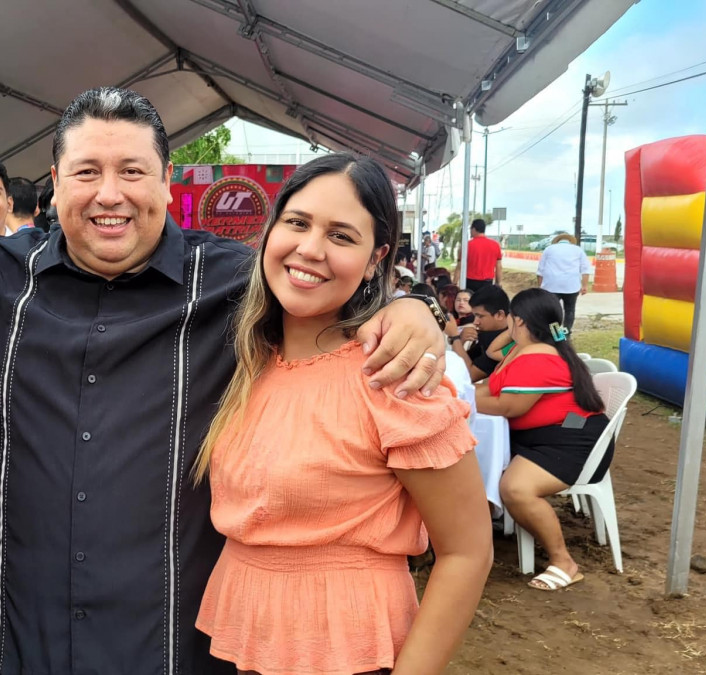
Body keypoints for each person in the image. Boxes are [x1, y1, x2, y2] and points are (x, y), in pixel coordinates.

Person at [0, 87, 449, 675]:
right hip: (22, 638)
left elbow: (328, 292)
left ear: (166, 180)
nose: (111, 194)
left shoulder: (236, 283)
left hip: (174, 642)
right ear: (55, 181)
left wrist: (411, 309)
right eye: (86, 172)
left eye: (133, 171)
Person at [191, 154, 490, 675]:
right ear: (271, 230)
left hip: (349, 653)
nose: (311, 249)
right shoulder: (245, 361)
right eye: (298, 222)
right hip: (241, 646)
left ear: (376, 259)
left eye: (341, 236)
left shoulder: (392, 377)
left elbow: (467, 553)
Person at [476, 288, 611, 592]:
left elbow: (508, 406)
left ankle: (564, 562)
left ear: (519, 320)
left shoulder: (538, 358)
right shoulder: (524, 350)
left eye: (512, 317)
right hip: (550, 433)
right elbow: (492, 375)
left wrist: (459, 400)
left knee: (515, 489)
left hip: (570, 439)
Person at [452, 284, 510, 382]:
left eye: (480, 316)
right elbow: (462, 362)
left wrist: (455, 338)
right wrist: (460, 340)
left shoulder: (505, 341)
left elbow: (469, 375)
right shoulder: (488, 333)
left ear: (499, 315)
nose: (475, 322)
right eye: (474, 316)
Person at [537, 233, 593, 331]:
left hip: (551, 286)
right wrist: (584, 286)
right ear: (570, 241)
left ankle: (555, 333)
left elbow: (540, 271)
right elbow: (585, 270)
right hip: (571, 286)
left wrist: (541, 286)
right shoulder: (578, 250)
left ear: (557, 241)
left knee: (553, 310)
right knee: (569, 310)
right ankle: (566, 333)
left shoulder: (549, 249)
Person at [459, 218, 501, 291]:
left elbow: (460, 266)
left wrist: (454, 282)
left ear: (474, 229)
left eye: (470, 229)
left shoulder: (466, 245)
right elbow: (499, 267)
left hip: (470, 282)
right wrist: (498, 283)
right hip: (487, 282)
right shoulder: (495, 245)